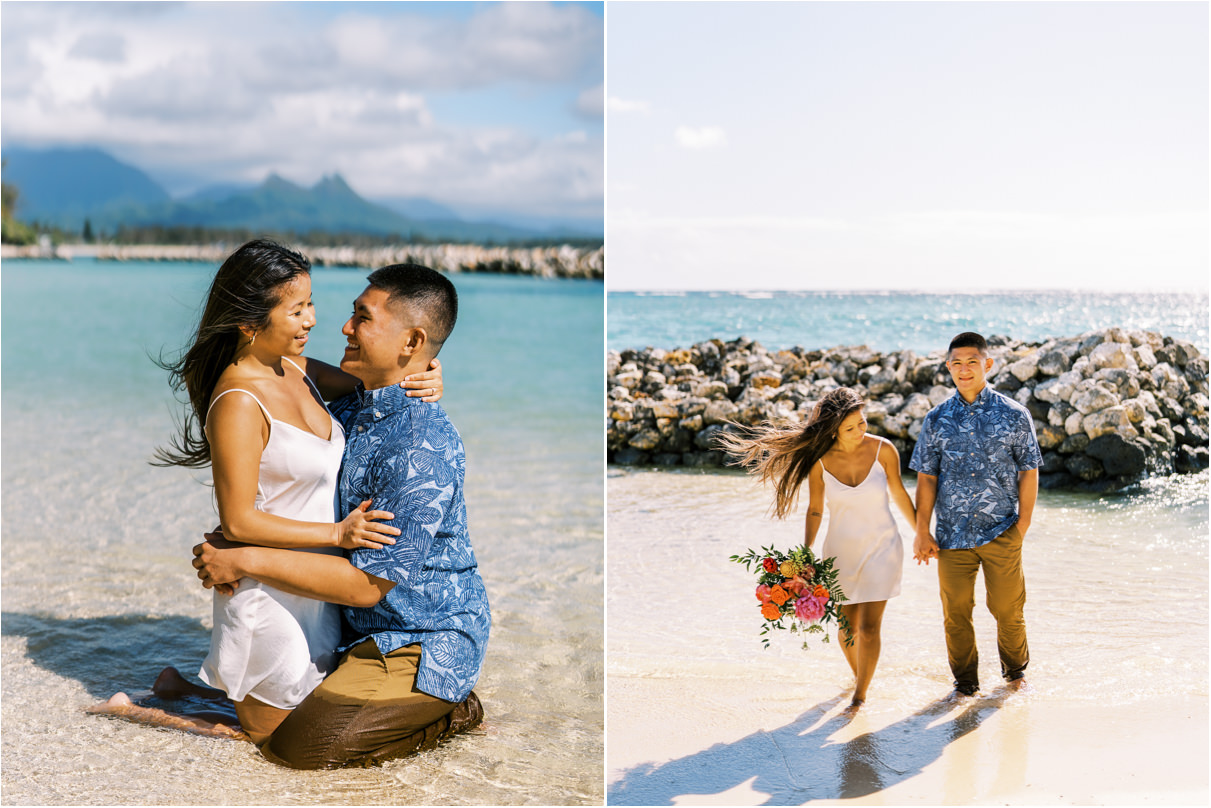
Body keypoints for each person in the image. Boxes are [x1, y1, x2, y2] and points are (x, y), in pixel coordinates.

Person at [86, 240, 444, 744]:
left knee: (298, 706)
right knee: (268, 739)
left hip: (312, 582)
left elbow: (377, 382)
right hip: (267, 587)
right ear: (250, 322)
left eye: (312, 304)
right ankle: (132, 711)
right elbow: (237, 523)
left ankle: (178, 688)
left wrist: (427, 371)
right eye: (297, 310)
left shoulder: (299, 370)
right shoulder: (237, 400)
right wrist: (337, 533)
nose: (313, 320)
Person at [191, 262, 491, 769]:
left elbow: (366, 587)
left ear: (410, 340)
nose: (341, 328)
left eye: (362, 317)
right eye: (349, 313)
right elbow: (273, 391)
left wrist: (243, 560)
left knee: (298, 752)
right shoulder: (349, 405)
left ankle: (456, 710)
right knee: (271, 729)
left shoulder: (423, 445)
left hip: (420, 639)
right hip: (353, 630)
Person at [719, 387, 915, 711]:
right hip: (840, 554)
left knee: (868, 627)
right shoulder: (821, 462)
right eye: (850, 428)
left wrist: (923, 533)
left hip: (884, 548)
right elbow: (815, 509)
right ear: (833, 430)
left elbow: (900, 496)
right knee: (845, 629)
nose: (859, 432)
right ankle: (860, 677)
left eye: (862, 423)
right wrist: (805, 553)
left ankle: (861, 695)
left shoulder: (884, 451)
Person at [909, 331, 1041, 698]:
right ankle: (965, 684)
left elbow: (1029, 470)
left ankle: (1015, 676)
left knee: (1008, 610)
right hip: (951, 536)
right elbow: (926, 477)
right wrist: (923, 531)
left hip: (1002, 529)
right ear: (948, 367)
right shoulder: (937, 419)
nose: (964, 370)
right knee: (955, 614)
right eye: (957, 363)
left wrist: (1023, 525)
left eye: (972, 362)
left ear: (988, 364)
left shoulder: (1014, 414)